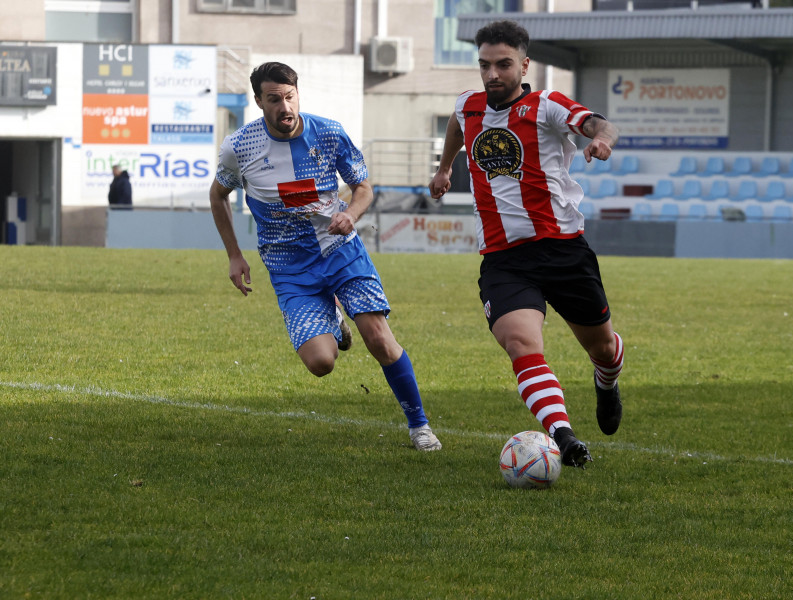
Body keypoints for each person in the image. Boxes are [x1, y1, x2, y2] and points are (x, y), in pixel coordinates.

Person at [210, 61, 441, 451]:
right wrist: (234, 255)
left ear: (297, 93)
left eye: (289, 96)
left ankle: (419, 426)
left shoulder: (329, 133)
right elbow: (218, 196)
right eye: (274, 99)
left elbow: (363, 188)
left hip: (340, 251)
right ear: (258, 101)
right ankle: (332, 314)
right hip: (288, 267)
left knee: (379, 339)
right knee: (321, 363)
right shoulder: (239, 146)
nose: (284, 107)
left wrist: (350, 214)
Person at [428, 20, 623, 468]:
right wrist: (444, 169)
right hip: (503, 257)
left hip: (563, 249)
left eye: (503, 64)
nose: (492, 74)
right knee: (520, 342)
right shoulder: (468, 105)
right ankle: (564, 436)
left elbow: (600, 123)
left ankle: (607, 381)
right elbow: (458, 127)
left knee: (603, 349)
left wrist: (601, 141)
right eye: (484, 65)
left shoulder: (548, 104)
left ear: (524, 64)